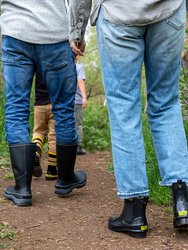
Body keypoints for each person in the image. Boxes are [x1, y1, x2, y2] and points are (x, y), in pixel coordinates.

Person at [71, 0, 188, 238]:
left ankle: (134, 212)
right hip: (169, 11)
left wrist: (77, 29)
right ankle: (183, 201)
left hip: (118, 14)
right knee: (166, 103)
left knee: (124, 108)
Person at [1, 0, 87, 207]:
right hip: (54, 34)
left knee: (16, 109)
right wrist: (78, 34)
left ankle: (22, 189)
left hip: (15, 32)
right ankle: (65, 179)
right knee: (64, 109)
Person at [32, 73, 57, 180]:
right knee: (53, 136)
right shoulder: (57, 62)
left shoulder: (38, 61)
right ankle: (51, 170)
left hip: (39, 104)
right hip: (55, 103)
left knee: (38, 131)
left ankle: (36, 149)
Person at [75, 58, 87, 155]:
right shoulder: (79, 67)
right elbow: (80, 81)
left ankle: (65, 145)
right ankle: (78, 146)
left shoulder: (64, 67)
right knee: (78, 124)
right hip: (77, 100)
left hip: (64, 100)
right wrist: (84, 97)